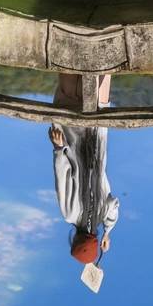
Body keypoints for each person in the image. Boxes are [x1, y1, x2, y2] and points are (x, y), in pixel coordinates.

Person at [49, 74, 118, 290]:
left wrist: (107, 232)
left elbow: (115, 205)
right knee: (69, 66)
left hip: (98, 128)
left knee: (104, 68)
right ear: (74, 239)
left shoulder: (101, 211)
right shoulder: (70, 214)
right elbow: (63, 176)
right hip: (71, 131)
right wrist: (60, 150)